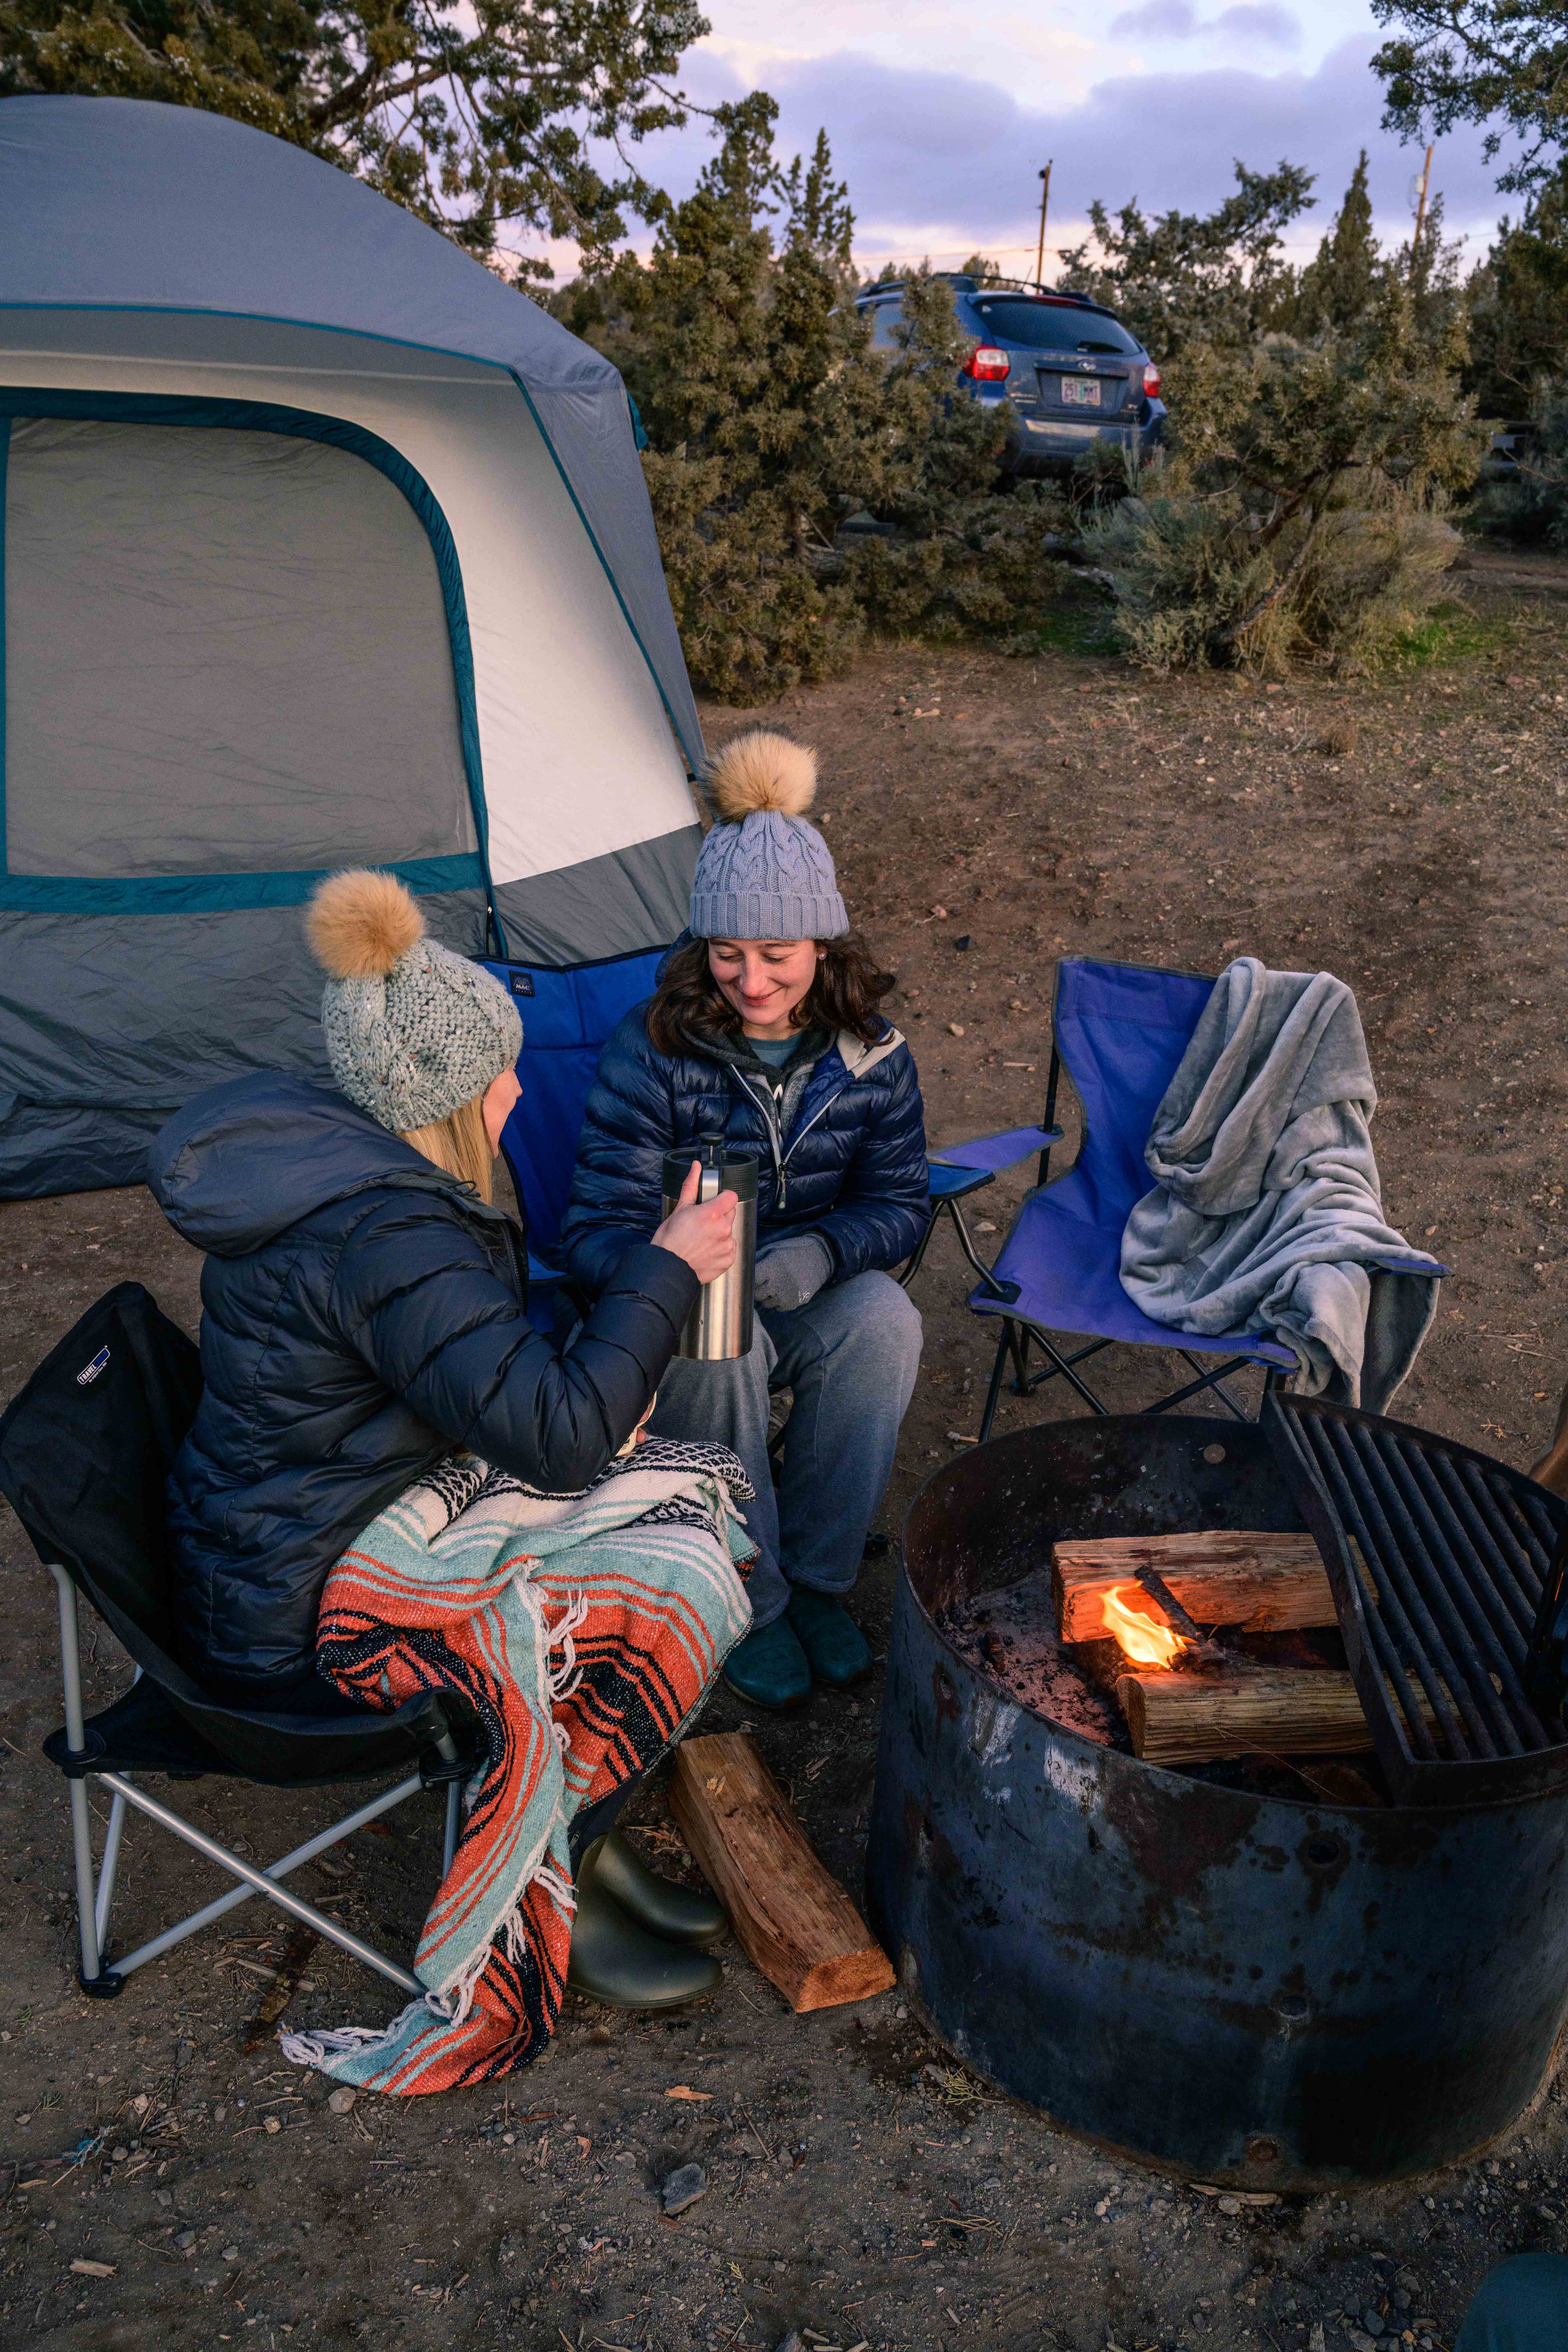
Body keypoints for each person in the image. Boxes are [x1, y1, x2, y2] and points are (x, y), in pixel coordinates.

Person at [148, 869, 742, 2014]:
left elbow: (495, 1381)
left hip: (304, 1522)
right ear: (450, 1100)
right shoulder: (386, 1237)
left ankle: (587, 1828)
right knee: (651, 1571)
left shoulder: (355, 1173)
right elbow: (560, 1441)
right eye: (501, 1070)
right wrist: (670, 1264)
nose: (520, 1086)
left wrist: (601, 1377)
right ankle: (536, 1877)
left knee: (667, 1493)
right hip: (300, 1609)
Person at [561, 730, 928, 1711]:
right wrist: (672, 1270)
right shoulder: (656, 1048)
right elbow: (591, 1227)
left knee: (885, 1325)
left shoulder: (872, 1054)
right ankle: (748, 1597)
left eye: (778, 955)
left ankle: (817, 1578)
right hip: (683, 1308)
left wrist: (825, 1251)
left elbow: (900, 1203)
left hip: (797, 1289)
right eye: (728, 953)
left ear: (825, 945)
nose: (753, 981)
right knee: (718, 1349)